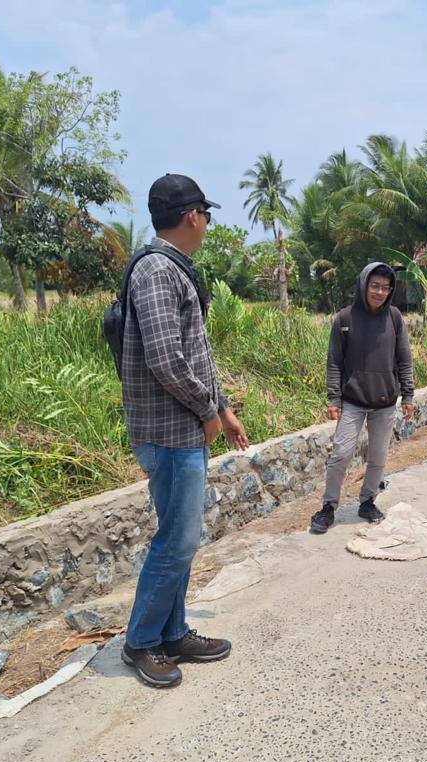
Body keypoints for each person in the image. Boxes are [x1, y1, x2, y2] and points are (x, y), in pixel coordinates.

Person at [119, 173, 250, 687]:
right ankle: (141, 641)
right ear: (192, 215)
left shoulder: (172, 267)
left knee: (181, 539)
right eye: (206, 215)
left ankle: (172, 632)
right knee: (176, 540)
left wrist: (223, 408)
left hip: (183, 430)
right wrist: (206, 411)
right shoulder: (156, 270)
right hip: (170, 433)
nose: (208, 224)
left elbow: (196, 353)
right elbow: (166, 359)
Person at [309, 262, 415, 534]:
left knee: (378, 457)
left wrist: (408, 394)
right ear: (364, 285)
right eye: (375, 286)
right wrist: (334, 399)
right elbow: (334, 362)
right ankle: (328, 507)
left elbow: (404, 358)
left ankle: (367, 501)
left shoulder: (394, 318)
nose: (380, 292)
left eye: (385, 288)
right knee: (341, 454)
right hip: (352, 402)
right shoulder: (345, 319)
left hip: (385, 403)